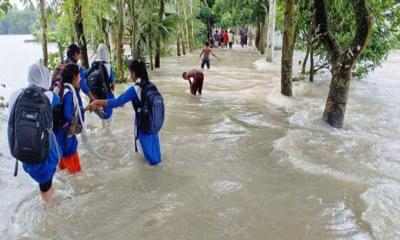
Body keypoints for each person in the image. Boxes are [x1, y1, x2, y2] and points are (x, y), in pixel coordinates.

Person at [86, 59, 162, 165]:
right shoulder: (150, 85)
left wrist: (97, 101)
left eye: (130, 72)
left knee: (148, 160)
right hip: (153, 124)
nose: (130, 75)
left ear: (134, 73)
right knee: (156, 157)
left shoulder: (136, 88)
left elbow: (117, 102)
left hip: (143, 125)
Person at [8, 63, 61, 203]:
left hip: (21, 152)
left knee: (44, 185)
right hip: (44, 154)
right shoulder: (47, 95)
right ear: (45, 78)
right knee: (46, 188)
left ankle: (48, 198)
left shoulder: (15, 95)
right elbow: (57, 98)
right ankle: (49, 212)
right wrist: (57, 86)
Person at [55, 63, 85, 174]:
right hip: (66, 138)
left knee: (62, 169)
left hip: (59, 137)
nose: (80, 78)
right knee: (76, 172)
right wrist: (75, 124)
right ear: (74, 77)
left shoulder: (63, 89)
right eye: (79, 76)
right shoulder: (69, 93)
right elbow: (67, 114)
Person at [86, 43, 116, 120]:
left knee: (101, 115)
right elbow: (113, 86)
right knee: (108, 117)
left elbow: (85, 77)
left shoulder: (93, 65)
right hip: (106, 96)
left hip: (94, 96)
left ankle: (98, 111)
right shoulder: (109, 67)